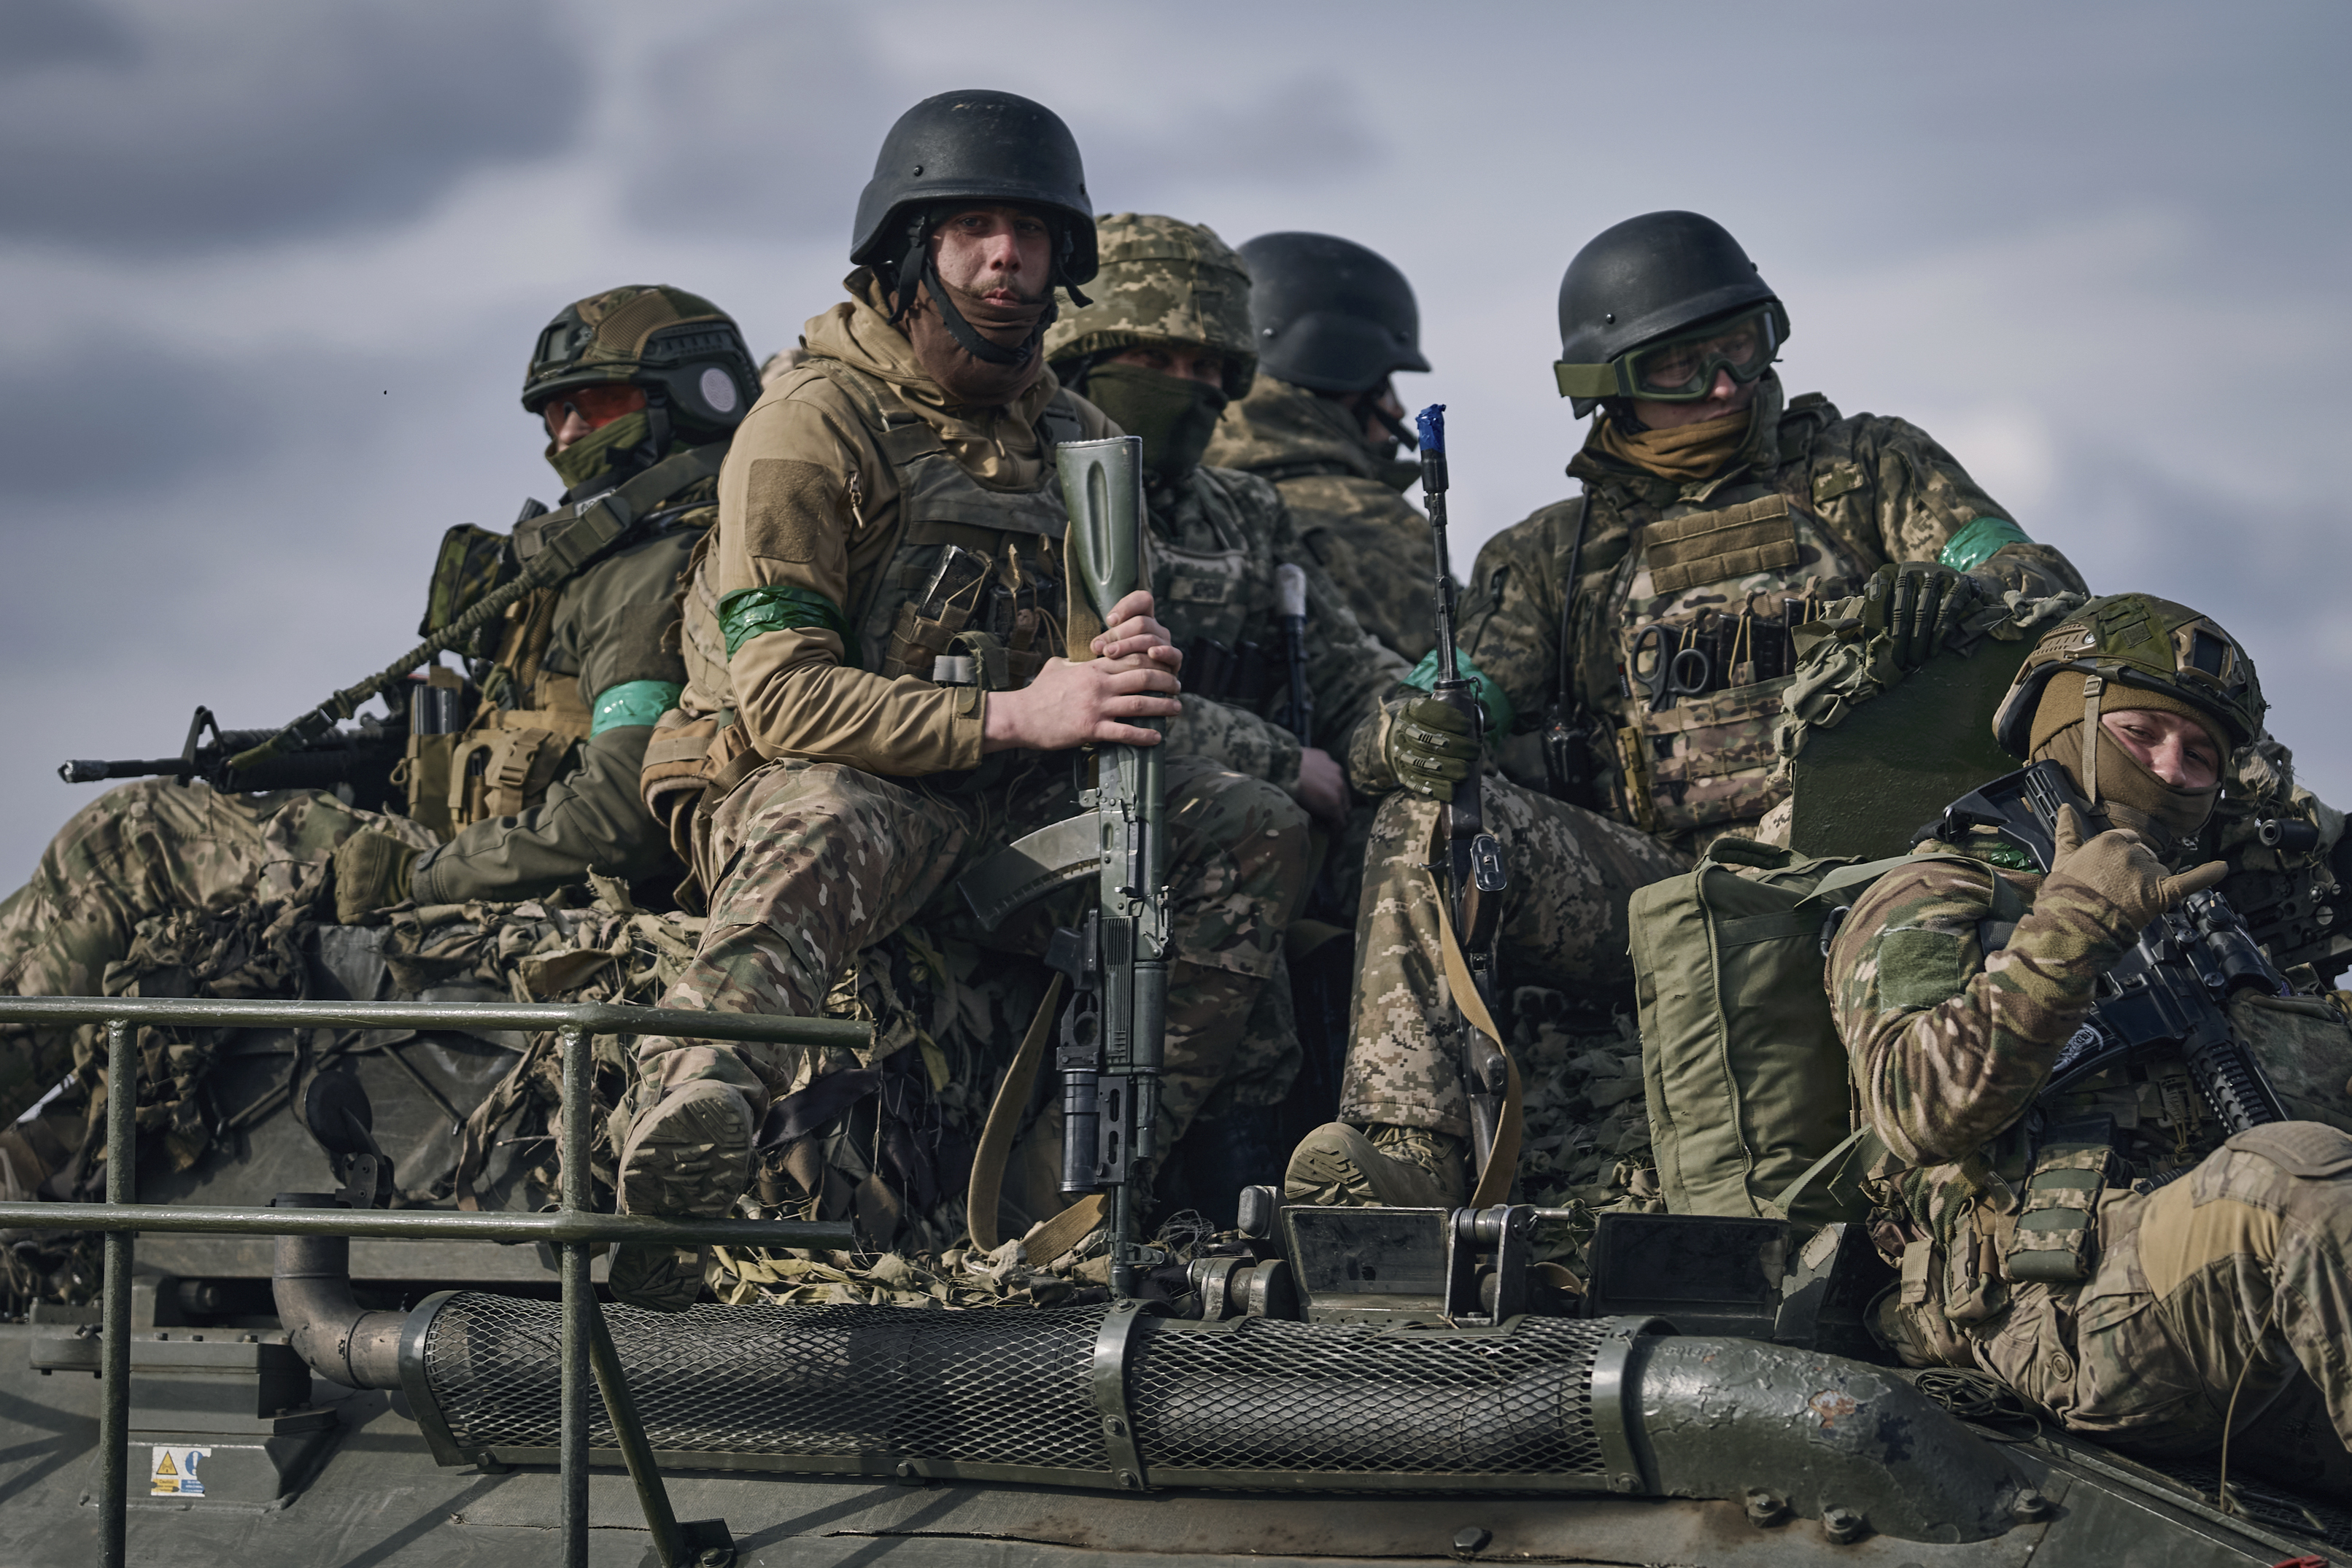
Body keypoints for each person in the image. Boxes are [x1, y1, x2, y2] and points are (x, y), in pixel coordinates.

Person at [615, 94, 1312, 1307]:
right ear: (907, 256)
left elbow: (1101, 683)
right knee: (823, 813)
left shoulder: (1081, 445)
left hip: (1005, 809)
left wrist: (1126, 681)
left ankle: (1058, 1211)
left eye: (1030, 234)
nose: (1004, 258)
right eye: (971, 229)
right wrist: (1014, 715)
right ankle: (696, 1104)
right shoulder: (809, 423)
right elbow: (782, 702)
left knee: (1254, 824)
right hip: (845, 786)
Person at [1288, 209, 2092, 1206]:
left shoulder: (1869, 471)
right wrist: (1417, 731)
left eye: (1740, 347)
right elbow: (1444, 694)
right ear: (1610, 385)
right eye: (1679, 366)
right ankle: (1410, 1157)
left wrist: (1965, 596)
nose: (1724, 384)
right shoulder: (1552, 557)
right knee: (1431, 817)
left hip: (1879, 866)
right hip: (1663, 892)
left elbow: (2042, 587)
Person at [0, 284, 755, 1197]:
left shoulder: (655, 566)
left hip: (518, 890)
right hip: (479, 867)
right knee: (192, 936)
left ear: (687, 400)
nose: (562, 435)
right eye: (552, 411)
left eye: (588, 405)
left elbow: (618, 814)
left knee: (139, 835)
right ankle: (40, 1170)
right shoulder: (591, 561)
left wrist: (417, 875)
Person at [1825, 593, 2352, 1483]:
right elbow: (1913, 1106)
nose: (2169, 768)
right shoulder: (1933, 890)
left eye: (2198, 756)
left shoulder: (2220, 922)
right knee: (2289, 1179)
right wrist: (2069, 924)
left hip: (2251, 1315)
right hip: (2056, 1312)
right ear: (2068, 723)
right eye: (2141, 732)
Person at [1042, 211, 1411, 1193]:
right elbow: (1082, 686)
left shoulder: (1242, 510)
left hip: (1242, 848)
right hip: (1076, 821)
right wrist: (1284, 760)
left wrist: (1407, 727)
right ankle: (1074, 1214)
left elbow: (1349, 665)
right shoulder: (1046, 493)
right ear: (1087, 352)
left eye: (1213, 369)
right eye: (1157, 358)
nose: (1191, 389)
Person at [1200, 231, 1439, 664]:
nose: (1399, 411)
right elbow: (1460, 663)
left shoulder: (1182, 496)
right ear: (1339, 368)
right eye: (1382, 386)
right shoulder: (1367, 516)